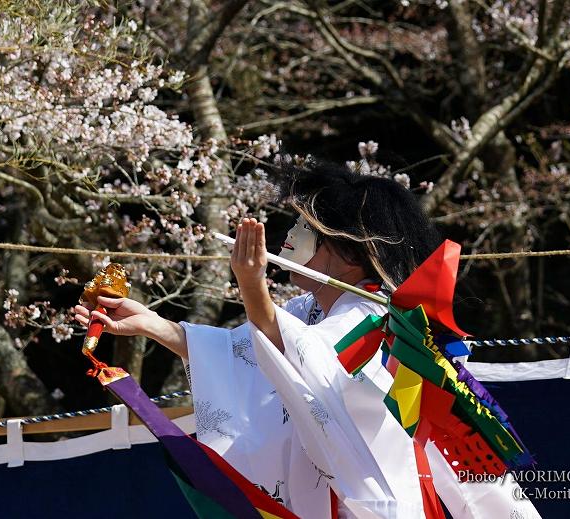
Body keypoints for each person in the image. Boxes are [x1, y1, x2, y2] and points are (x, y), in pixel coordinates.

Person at [74, 158, 540, 519]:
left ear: (346, 252)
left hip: (374, 497)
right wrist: (150, 323)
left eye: (303, 229)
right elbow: (245, 352)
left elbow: (302, 354)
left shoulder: (373, 314)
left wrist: (254, 287)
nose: (289, 236)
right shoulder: (312, 309)